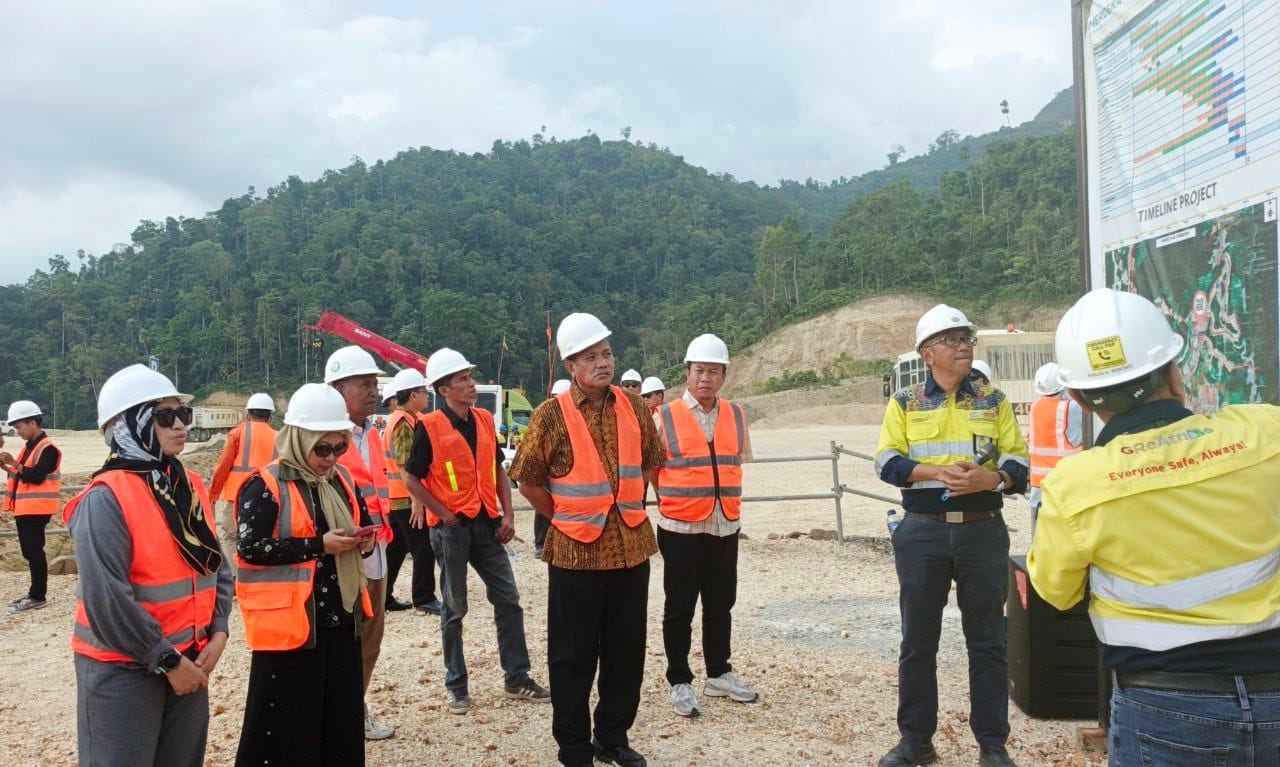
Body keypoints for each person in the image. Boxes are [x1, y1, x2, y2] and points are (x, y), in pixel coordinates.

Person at [1028, 288, 1280, 765]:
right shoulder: (1265, 431)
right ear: (1174, 371)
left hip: (1165, 708)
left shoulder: (1076, 486)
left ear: (1079, 396)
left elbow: (1056, 592)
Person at [874, 304, 1028, 767]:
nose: (963, 347)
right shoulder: (904, 402)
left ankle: (993, 746)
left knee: (988, 641)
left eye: (967, 339)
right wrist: (935, 473)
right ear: (928, 353)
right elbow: (886, 462)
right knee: (918, 641)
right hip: (922, 534)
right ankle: (916, 742)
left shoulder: (993, 400)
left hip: (983, 533)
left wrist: (994, 480)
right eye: (952, 340)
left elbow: (1019, 462)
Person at [510, 313, 666, 767]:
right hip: (576, 553)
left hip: (632, 547)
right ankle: (574, 748)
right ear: (571, 367)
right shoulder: (550, 415)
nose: (602, 363)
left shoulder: (635, 406)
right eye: (591, 357)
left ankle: (612, 738)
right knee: (572, 657)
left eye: (607, 354)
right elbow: (527, 480)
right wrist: (564, 516)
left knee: (625, 653)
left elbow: (653, 461)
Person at [64, 364, 233, 767]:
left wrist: (219, 630)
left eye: (183, 415)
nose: (180, 425)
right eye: (164, 417)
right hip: (126, 670)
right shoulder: (105, 499)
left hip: (189, 659)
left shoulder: (187, 485)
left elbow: (217, 566)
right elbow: (107, 599)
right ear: (130, 425)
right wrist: (167, 660)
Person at [234, 383, 377, 767]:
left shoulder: (341, 480)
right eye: (323, 448)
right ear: (298, 439)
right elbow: (249, 549)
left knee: (338, 725)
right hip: (291, 630)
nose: (331, 458)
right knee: (284, 730)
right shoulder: (264, 485)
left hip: (340, 621)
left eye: (339, 447)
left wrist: (364, 543)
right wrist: (318, 546)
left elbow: (363, 523)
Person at [403, 347, 548, 714]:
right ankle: (457, 685)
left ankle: (517, 678)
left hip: (487, 525)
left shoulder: (483, 419)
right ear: (444, 389)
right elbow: (412, 478)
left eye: (470, 376)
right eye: (463, 379)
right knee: (454, 608)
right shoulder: (430, 427)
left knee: (509, 600)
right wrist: (443, 513)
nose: (471, 383)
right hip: (451, 531)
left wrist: (509, 515)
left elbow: (498, 469)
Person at [652, 334, 756, 718]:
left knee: (720, 603)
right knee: (679, 606)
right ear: (687, 373)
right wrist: (672, 498)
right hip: (680, 526)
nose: (706, 378)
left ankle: (719, 673)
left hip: (724, 524)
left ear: (725, 375)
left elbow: (737, 461)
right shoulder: (663, 416)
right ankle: (679, 680)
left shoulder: (736, 414)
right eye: (700, 371)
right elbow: (652, 468)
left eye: (714, 371)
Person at [324, 345, 396, 740]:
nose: (373, 391)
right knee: (346, 634)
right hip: (344, 553)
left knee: (372, 635)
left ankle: (354, 707)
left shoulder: (372, 433)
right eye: (364, 384)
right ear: (337, 389)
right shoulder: (325, 438)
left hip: (376, 546)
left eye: (374, 384)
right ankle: (340, 712)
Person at [382, 366, 443, 616]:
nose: (427, 396)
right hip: (406, 498)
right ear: (413, 394)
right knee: (423, 548)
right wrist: (417, 499)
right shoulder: (404, 423)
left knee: (396, 548)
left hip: (397, 496)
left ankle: (383, 596)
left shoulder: (404, 419)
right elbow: (405, 464)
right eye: (424, 391)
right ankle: (424, 598)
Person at [1, 400, 61, 613]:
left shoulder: (48, 448)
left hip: (37, 508)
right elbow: (22, 475)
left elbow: (36, 476)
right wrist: (6, 466)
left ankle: (38, 596)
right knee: (29, 551)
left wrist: (14, 463)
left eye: (19, 427)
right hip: (26, 507)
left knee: (34, 551)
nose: (17, 431)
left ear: (33, 423)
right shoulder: (30, 447)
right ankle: (34, 593)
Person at [209, 392, 277, 567]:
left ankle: (233, 577)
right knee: (260, 537)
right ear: (270, 416)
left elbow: (223, 466)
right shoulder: (279, 437)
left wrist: (213, 495)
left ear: (248, 414)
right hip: (267, 499)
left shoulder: (237, 434)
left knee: (229, 536)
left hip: (235, 497)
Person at [1024, 362, 1081, 531]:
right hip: (1068, 485)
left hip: (1039, 487)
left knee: (1041, 536)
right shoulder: (1072, 408)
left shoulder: (1035, 408)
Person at [532, 379, 574, 557]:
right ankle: (541, 543)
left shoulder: (578, 419)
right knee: (543, 509)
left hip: (569, 472)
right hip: (547, 471)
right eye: (555, 398)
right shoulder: (544, 417)